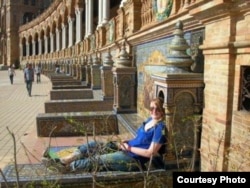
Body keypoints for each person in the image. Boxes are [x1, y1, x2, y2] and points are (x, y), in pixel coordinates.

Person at [42, 98, 167, 173]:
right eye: (152, 108)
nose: (154, 111)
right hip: (125, 147)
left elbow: (150, 153)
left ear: (162, 111)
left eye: (157, 109)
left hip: (133, 159)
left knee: (99, 160)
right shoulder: (148, 121)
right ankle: (65, 160)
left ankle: (68, 168)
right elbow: (140, 140)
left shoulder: (160, 129)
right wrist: (128, 141)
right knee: (94, 145)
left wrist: (128, 148)